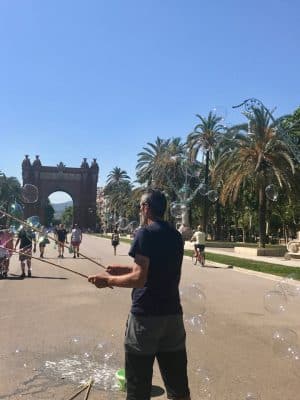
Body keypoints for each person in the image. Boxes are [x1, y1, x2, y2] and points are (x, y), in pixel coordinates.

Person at [88, 189, 191, 400]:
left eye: (140, 206)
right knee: (178, 387)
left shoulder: (145, 233)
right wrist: (122, 269)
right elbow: (156, 271)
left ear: (146, 208)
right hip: (173, 317)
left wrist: (107, 280)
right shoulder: (175, 235)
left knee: (138, 387)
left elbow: (140, 279)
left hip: (146, 318)